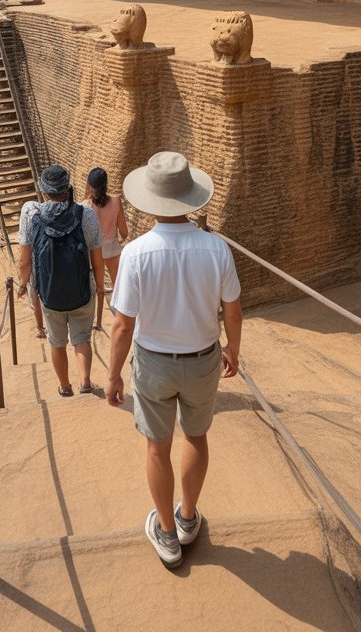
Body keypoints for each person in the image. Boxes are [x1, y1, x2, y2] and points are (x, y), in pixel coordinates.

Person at [105, 152, 243, 569]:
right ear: (190, 199)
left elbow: (123, 325)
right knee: (196, 438)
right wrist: (232, 349)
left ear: (149, 200)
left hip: (154, 361)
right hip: (203, 358)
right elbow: (232, 310)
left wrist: (113, 375)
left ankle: (166, 533)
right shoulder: (216, 249)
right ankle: (187, 518)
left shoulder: (135, 253)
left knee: (156, 447)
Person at [18, 164, 104, 397]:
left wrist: (23, 283)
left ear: (44, 191)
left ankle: (65, 387)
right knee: (81, 338)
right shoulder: (86, 215)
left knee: (56, 342)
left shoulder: (32, 217)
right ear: (67, 188)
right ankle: (85, 382)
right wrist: (98, 288)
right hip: (82, 290)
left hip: (49, 293)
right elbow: (97, 261)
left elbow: (25, 261)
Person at [81, 167, 128, 330]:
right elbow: (124, 232)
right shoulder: (116, 201)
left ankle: (98, 322)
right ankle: (121, 320)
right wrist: (117, 240)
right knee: (118, 287)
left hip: (96, 252)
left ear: (89, 185)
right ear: (106, 184)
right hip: (113, 249)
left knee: (100, 288)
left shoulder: (85, 206)